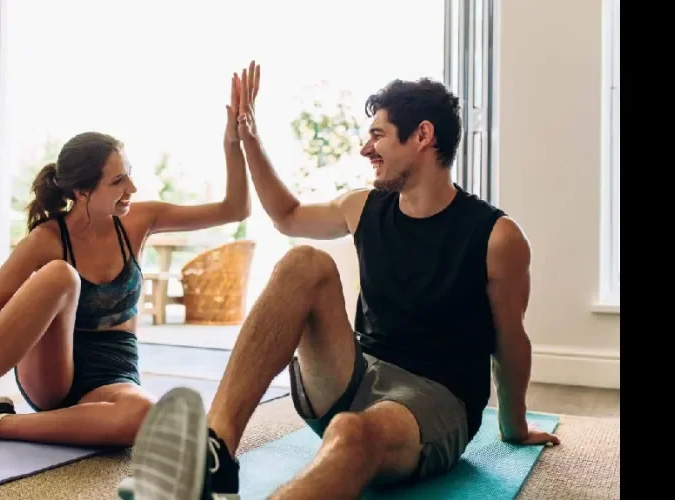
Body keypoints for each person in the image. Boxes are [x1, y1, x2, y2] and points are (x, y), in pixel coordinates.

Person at [120, 61, 561, 500]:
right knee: (304, 263)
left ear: (423, 135)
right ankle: (212, 456)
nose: (365, 149)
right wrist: (249, 140)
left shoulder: (496, 236)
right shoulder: (364, 207)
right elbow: (288, 217)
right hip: (354, 372)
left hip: (435, 401)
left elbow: (509, 339)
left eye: (378, 135)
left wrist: (514, 428)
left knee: (352, 434)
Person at [0, 72, 251, 468]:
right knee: (60, 275)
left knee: (148, 416)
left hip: (113, 375)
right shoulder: (48, 239)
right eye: (119, 180)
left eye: (129, 174)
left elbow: (235, 209)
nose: (133, 189)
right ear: (81, 192)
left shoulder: (140, 221)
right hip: (53, 372)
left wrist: (233, 143)